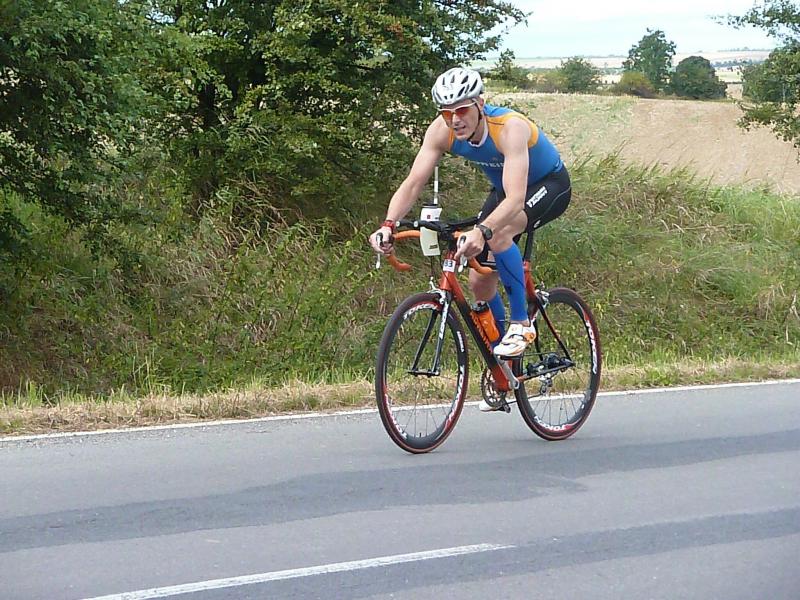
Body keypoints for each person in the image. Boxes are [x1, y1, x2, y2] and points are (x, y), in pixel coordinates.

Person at [369, 66, 571, 362]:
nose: (455, 120)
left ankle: (521, 324)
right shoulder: (441, 131)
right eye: (446, 112)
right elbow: (413, 183)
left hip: (548, 185)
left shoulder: (509, 127)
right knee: (479, 281)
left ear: (480, 104)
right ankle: (505, 364)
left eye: (462, 110)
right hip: (505, 188)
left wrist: (482, 230)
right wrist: (388, 224)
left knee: (499, 233)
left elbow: (515, 200)